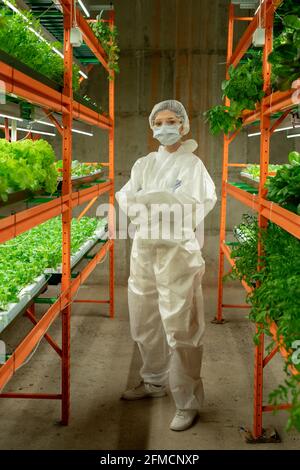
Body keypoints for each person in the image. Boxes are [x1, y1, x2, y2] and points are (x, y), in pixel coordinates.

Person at [115, 100, 217, 431]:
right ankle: (153, 382)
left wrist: (152, 201)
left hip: (177, 251)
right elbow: (127, 198)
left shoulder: (193, 165)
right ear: (152, 127)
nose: (164, 127)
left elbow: (195, 204)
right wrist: (158, 200)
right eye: (158, 122)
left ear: (184, 125)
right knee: (144, 319)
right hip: (144, 248)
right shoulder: (143, 164)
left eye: (171, 120)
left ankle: (187, 402)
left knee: (181, 326)